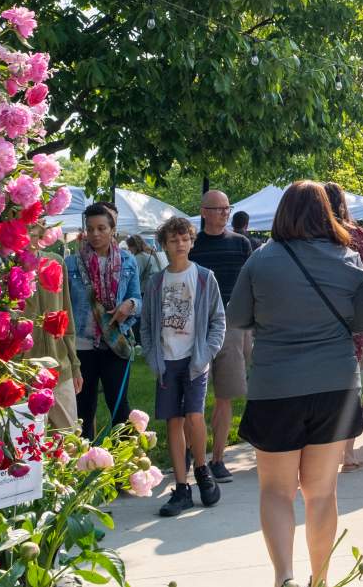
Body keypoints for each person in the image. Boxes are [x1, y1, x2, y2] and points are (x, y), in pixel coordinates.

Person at [228, 181, 363, 587]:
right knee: (322, 492)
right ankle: (321, 578)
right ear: (325, 213)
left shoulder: (260, 261)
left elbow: (237, 317)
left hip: (276, 387)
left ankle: (285, 578)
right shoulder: (349, 260)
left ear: (282, 214)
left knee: (276, 491)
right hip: (335, 386)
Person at [141, 216, 226, 517]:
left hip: (195, 361)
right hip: (167, 361)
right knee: (173, 422)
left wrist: (207, 352)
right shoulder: (156, 283)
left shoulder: (204, 277)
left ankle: (201, 469)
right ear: (163, 245)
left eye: (184, 239)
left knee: (194, 416)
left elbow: (218, 320)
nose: (179, 244)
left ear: (191, 241)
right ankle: (181, 487)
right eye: (173, 240)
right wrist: (152, 356)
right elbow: (147, 324)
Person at [188, 188, 251, 482]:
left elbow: (251, 285)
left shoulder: (241, 244)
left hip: (232, 326)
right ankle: (193, 452)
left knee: (226, 395)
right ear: (203, 212)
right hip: (196, 327)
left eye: (227, 208)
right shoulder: (192, 245)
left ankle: (218, 458)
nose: (224, 213)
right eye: (217, 209)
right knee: (194, 396)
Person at [66, 202, 141, 440]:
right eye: (90, 229)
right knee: (83, 410)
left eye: (101, 228)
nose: (95, 234)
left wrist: (130, 305)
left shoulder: (128, 261)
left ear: (112, 229)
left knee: (119, 407)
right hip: (82, 346)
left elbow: (138, 299)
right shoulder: (70, 264)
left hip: (115, 343)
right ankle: (84, 467)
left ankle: (124, 469)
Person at [324, 182, 363, 471]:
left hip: (321, 319)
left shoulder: (312, 235)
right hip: (352, 318)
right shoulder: (355, 234)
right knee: (351, 384)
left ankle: (328, 449)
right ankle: (349, 453)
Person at [24, 222, 83, 428]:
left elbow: (66, 316)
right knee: (28, 444)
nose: (28, 238)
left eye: (32, 231)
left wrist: (74, 365)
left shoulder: (56, 262)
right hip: (24, 371)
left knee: (70, 439)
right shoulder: (6, 271)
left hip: (60, 368)